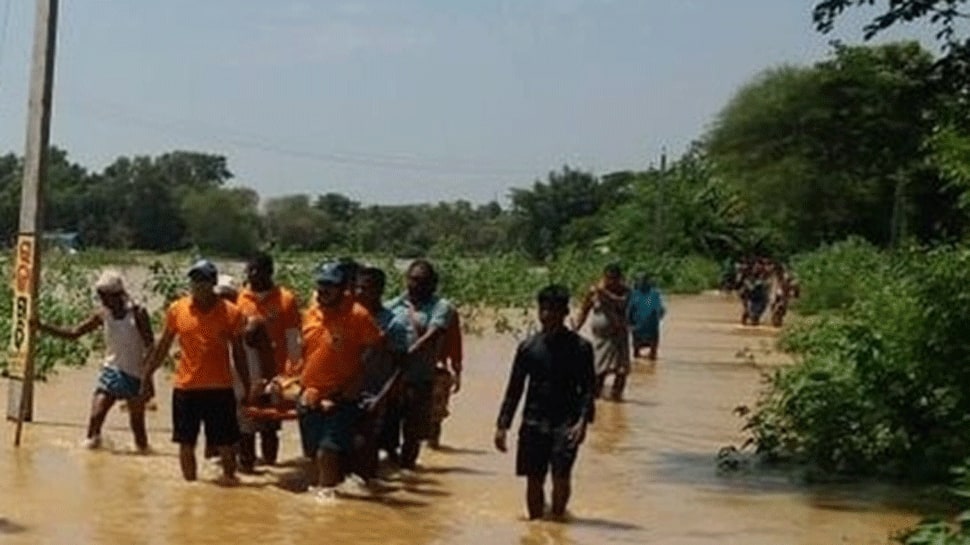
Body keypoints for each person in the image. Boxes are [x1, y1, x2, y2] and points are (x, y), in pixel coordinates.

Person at [142, 259, 250, 484]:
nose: (197, 285)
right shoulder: (177, 309)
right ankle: (189, 487)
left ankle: (230, 480)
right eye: (194, 280)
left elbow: (239, 353)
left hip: (220, 388)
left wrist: (247, 385)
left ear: (213, 283)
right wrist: (147, 374)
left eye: (202, 280)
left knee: (226, 443)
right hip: (186, 387)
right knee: (185, 442)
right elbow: (163, 346)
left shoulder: (231, 313)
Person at [495, 284, 595, 521]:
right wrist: (502, 425)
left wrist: (583, 422)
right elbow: (514, 389)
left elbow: (589, 389)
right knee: (534, 478)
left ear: (564, 312)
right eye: (543, 309)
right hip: (533, 421)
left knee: (561, 477)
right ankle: (536, 527)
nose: (547, 315)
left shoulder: (581, 348)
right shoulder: (528, 348)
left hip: (566, 422)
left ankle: (558, 524)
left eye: (553, 310)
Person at [33, 270, 154, 451]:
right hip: (111, 371)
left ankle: (143, 454)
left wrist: (148, 381)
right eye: (100, 297)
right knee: (96, 417)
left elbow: (151, 348)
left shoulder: (137, 313)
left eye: (105, 297)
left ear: (117, 295)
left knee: (138, 430)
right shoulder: (103, 314)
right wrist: (41, 327)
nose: (103, 301)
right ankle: (91, 455)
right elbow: (75, 333)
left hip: (135, 374)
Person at [296, 262, 383, 500]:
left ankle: (326, 500)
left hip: (342, 395)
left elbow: (376, 347)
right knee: (313, 452)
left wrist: (357, 379)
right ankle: (329, 490)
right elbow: (298, 352)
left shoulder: (358, 315)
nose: (324, 290)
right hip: (310, 393)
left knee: (328, 449)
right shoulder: (310, 313)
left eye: (330, 285)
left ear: (343, 288)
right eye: (321, 284)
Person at [382, 259, 452, 470]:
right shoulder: (392, 305)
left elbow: (434, 333)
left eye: (423, 281)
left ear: (434, 284)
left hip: (420, 379)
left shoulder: (441, 306)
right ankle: (397, 473)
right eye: (413, 280)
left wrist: (408, 354)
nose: (416, 285)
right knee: (387, 433)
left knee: (413, 435)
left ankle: (407, 469)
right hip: (391, 380)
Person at [235, 252, 302, 467]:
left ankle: (271, 466)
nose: (253, 275)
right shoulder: (240, 299)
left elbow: (293, 339)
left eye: (258, 270)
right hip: (249, 372)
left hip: (277, 372)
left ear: (270, 272)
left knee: (270, 426)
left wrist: (293, 374)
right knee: (246, 422)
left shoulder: (286, 299)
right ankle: (248, 466)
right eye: (250, 270)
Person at [351, 265, 408, 482]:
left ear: (379, 291)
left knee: (367, 450)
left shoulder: (394, 323)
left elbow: (401, 366)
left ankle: (370, 493)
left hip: (373, 395)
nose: (359, 293)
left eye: (365, 288)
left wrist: (382, 398)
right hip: (347, 392)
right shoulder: (350, 318)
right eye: (357, 287)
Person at [572, 263, 631, 401]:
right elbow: (584, 310)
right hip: (601, 338)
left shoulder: (625, 291)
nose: (611, 282)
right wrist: (576, 328)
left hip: (619, 336)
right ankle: (595, 399)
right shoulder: (593, 292)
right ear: (604, 277)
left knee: (621, 371)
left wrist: (603, 293)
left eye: (615, 279)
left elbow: (621, 303)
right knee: (599, 371)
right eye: (609, 278)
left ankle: (617, 397)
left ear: (620, 279)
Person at [428, 307, 463, 450]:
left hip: (437, 371)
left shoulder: (448, 312)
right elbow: (456, 344)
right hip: (427, 371)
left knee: (434, 418)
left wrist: (457, 371)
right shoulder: (447, 311)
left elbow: (455, 344)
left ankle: (432, 448)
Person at [626, 273, 666, 361]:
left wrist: (657, 318)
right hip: (638, 327)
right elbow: (629, 310)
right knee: (636, 354)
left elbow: (661, 310)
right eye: (640, 280)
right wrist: (628, 324)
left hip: (651, 327)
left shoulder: (654, 294)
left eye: (644, 280)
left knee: (652, 355)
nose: (642, 282)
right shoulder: (633, 294)